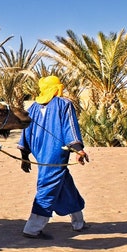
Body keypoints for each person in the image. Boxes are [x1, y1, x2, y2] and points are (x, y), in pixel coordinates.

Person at [18, 75, 90, 239]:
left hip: (39, 152)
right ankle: (32, 228)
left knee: (65, 185)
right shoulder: (64, 104)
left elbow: (25, 134)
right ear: (56, 88)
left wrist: (25, 156)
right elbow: (69, 128)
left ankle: (78, 222)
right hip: (55, 153)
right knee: (47, 186)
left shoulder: (33, 108)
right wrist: (79, 150)